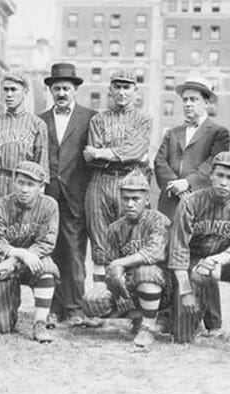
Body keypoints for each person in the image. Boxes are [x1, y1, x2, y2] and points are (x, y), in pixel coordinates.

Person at [154, 77, 230, 336]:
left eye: (193, 99)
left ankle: (213, 322)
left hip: (201, 205)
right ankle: (167, 315)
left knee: (201, 260)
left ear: (206, 102)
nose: (187, 104)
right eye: (185, 100)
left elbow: (213, 164)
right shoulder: (172, 133)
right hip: (171, 204)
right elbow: (159, 162)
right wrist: (173, 183)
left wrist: (187, 183)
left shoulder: (218, 132)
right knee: (169, 258)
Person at [168, 152, 230, 358]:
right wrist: (185, 292)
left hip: (222, 260)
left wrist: (215, 260)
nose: (223, 182)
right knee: (182, 336)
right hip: (193, 264)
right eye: (220, 175)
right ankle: (178, 316)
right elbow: (178, 250)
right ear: (211, 175)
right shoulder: (190, 202)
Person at [0, 71, 49, 316]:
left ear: (25, 92)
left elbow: (42, 163)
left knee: (20, 237)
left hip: (24, 184)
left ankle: (11, 299)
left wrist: (39, 196)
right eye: (6, 90)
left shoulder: (37, 124)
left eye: (14, 90)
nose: (9, 94)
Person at [81, 170, 173, 349]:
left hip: (164, 287)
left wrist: (122, 263)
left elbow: (156, 253)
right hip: (131, 285)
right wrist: (116, 280)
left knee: (147, 272)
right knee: (92, 301)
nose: (129, 204)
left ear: (147, 200)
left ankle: (149, 327)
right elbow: (110, 264)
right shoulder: (115, 228)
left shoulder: (159, 220)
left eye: (135, 199)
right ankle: (137, 317)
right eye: (125, 198)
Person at [37, 63, 97, 327]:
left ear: (75, 90)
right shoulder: (40, 119)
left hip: (75, 193)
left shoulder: (90, 117)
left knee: (73, 251)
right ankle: (52, 306)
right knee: (49, 249)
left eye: (66, 88)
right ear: (50, 91)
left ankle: (74, 307)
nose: (61, 93)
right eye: (57, 88)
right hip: (48, 194)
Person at [84, 68, 152, 291]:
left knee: (130, 241)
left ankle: (128, 303)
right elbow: (91, 159)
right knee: (100, 243)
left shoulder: (143, 120)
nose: (122, 92)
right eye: (118, 87)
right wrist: (122, 154)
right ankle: (101, 301)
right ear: (110, 90)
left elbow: (137, 149)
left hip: (130, 182)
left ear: (135, 90)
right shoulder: (98, 119)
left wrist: (102, 152)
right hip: (100, 181)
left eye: (127, 87)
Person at [0, 161, 59, 343]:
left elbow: (47, 242)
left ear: (41, 187)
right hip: (1, 264)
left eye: (31, 184)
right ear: (13, 182)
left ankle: (40, 322)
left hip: (30, 263)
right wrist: (20, 253)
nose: (24, 189)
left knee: (46, 267)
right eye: (21, 183)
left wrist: (20, 260)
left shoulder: (49, 206)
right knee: (0, 327)